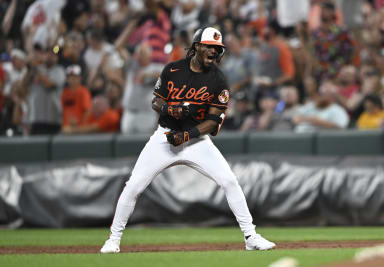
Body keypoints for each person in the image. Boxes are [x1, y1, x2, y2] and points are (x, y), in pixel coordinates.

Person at [100, 26, 276, 253]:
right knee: (133, 186)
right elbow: (156, 101)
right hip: (164, 137)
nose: (214, 52)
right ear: (196, 47)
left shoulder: (218, 80)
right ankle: (113, 239)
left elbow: (213, 123)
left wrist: (187, 134)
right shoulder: (172, 70)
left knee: (229, 181)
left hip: (197, 141)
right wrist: (169, 109)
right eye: (210, 47)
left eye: (217, 48)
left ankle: (251, 236)